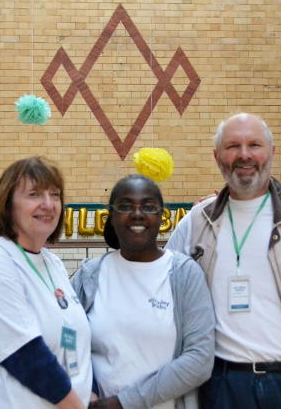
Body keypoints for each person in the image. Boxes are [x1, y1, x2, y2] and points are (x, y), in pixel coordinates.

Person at [167, 112, 281, 409]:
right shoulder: (197, 221)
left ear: (271, 152)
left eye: (254, 145)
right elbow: (160, 282)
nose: (244, 155)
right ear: (217, 156)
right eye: (232, 147)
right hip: (221, 383)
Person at [72, 174, 215, 409]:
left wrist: (122, 403)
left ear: (161, 216)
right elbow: (66, 339)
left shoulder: (184, 273)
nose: (137, 213)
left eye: (148, 206)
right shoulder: (91, 274)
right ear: (112, 215)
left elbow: (199, 359)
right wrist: (89, 393)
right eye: (126, 206)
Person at [0, 156, 92, 409]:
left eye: (55, 195)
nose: (48, 204)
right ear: (7, 204)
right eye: (34, 194)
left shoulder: (52, 263)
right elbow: (24, 353)